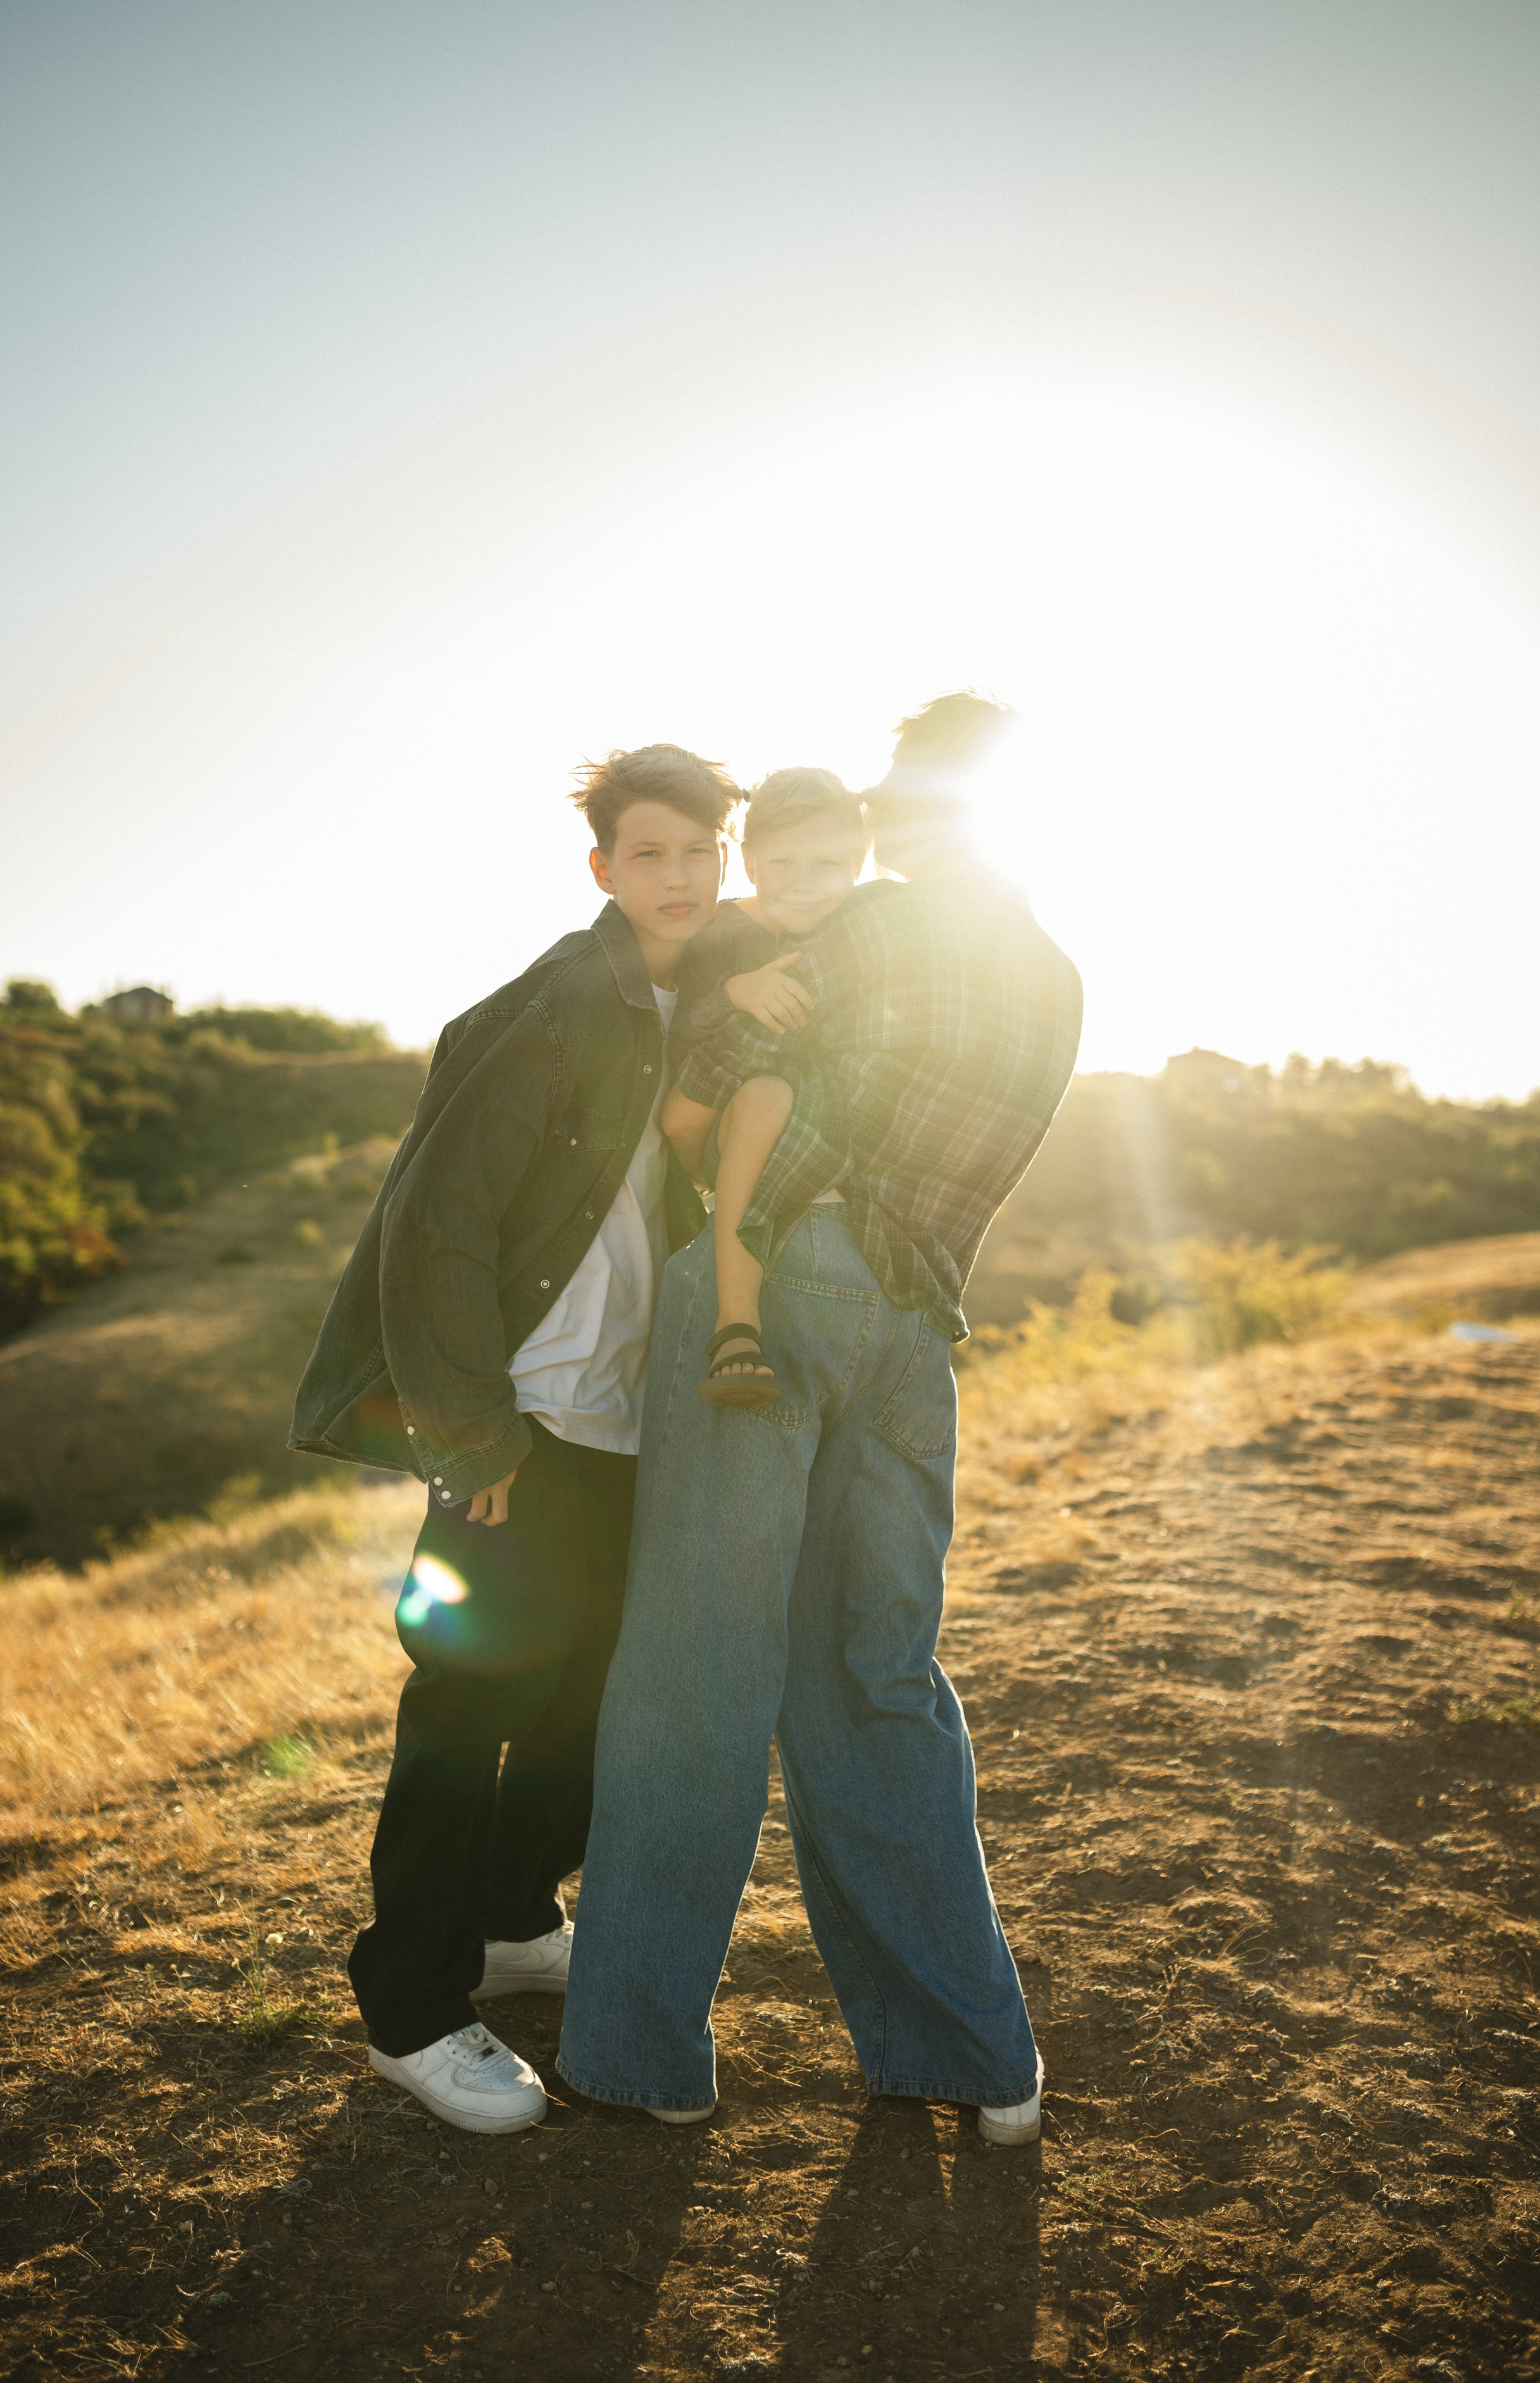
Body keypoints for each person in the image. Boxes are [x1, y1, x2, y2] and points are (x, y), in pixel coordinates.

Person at [556, 694, 1083, 2144]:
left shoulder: (873, 929)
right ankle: (969, 2055)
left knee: (693, 1670)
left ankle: (636, 2051)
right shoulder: (1053, 978)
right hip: (916, 1333)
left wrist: (732, 1011)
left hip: (777, 1281)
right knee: (877, 1674)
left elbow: (719, 1082)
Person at [289, 742, 738, 2133]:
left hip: (614, 1430)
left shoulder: (695, 1006)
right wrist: (469, 1433)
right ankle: (411, 2008)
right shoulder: (554, 1008)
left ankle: (504, 1917)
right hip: (517, 1428)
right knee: (465, 1712)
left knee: (578, 1704)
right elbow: (438, 1226)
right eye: (649, 854)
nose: (678, 877)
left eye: (698, 853)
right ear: (604, 870)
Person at [658, 766, 868, 1407]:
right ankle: (736, 1327)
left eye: (827, 865)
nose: (804, 886)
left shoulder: (858, 932)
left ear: (859, 863)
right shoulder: (721, 928)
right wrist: (733, 993)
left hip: (800, 1141)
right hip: (710, 1122)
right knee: (765, 1094)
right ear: (749, 863)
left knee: (780, 1096)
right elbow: (679, 1022)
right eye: (784, 864)